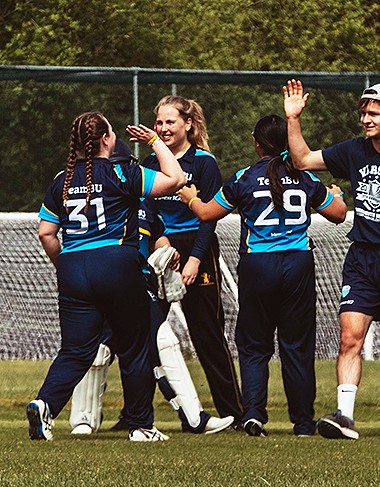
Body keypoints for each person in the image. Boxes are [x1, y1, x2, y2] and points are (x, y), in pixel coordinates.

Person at [283, 79, 380, 439]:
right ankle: (344, 416)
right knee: (349, 339)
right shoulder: (355, 151)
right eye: (363, 113)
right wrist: (293, 119)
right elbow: (303, 159)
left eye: (374, 113)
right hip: (362, 259)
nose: (366, 119)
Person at [179, 114, 346, 437]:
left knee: (254, 344)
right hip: (297, 264)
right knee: (296, 344)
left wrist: (190, 198)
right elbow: (338, 215)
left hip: (258, 265)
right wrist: (337, 195)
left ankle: (254, 413)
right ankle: (302, 422)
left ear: (256, 144)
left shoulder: (244, 177)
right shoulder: (304, 177)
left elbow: (206, 213)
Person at [29, 112, 186, 441]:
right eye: (112, 132)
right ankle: (141, 426)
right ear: (105, 140)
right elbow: (175, 179)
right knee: (134, 346)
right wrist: (154, 142)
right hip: (115, 263)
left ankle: (44, 405)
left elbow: (46, 233)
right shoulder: (122, 171)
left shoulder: (62, 180)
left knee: (75, 350)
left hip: (73, 266)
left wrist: (66, 267)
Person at [68, 140, 234, 436]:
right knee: (97, 351)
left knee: (162, 344)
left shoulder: (142, 201)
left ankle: (192, 417)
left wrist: (166, 250)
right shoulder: (101, 198)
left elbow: (156, 232)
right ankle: (84, 419)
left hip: (136, 286)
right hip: (106, 285)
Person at [142, 95, 243, 427]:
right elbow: (148, 211)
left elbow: (208, 219)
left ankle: (235, 412)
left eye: (170, 122)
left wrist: (195, 259)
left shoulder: (204, 163)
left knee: (207, 334)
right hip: (160, 249)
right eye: (159, 122)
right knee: (145, 333)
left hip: (196, 250)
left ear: (188, 124)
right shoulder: (149, 162)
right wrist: (162, 246)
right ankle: (139, 414)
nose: (163, 128)